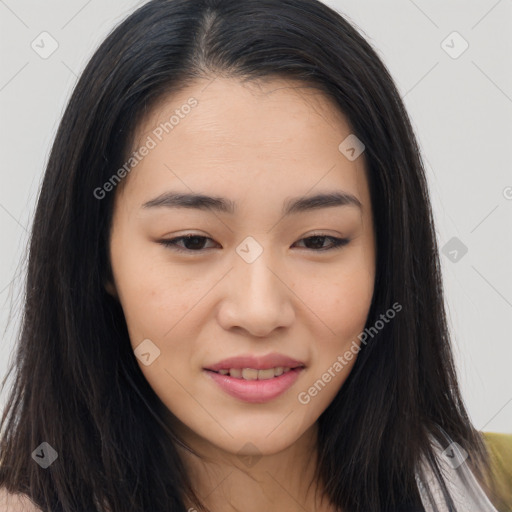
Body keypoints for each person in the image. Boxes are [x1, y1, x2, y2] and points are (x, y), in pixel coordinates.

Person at [0, 0, 506, 510]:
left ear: (387, 253)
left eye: (318, 240)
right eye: (192, 241)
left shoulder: (485, 484)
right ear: (98, 256)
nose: (260, 311)